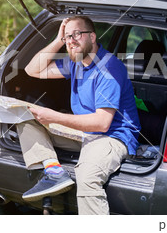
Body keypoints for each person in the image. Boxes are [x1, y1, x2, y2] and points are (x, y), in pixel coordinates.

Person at [19, 16, 140, 215]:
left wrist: (54, 117)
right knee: (25, 119)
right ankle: (54, 171)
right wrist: (58, 40)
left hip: (112, 137)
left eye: (76, 34)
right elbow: (32, 70)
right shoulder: (75, 63)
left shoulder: (109, 68)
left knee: (86, 177)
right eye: (68, 37)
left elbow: (102, 123)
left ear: (92, 37)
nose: (71, 41)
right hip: (84, 131)